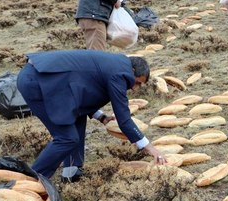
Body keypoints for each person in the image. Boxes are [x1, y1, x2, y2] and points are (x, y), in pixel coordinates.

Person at [16, 50, 167, 181]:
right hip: (37, 82)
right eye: (137, 82)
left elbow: (84, 90)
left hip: (46, 79)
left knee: (77, 115)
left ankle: (71, 172)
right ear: (133, 70)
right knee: (66, 137)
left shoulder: (115, 65)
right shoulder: (120, 74)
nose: (135, 88)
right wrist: (151, 149)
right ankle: (31, 179)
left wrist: (101, 117)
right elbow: (124, 120)